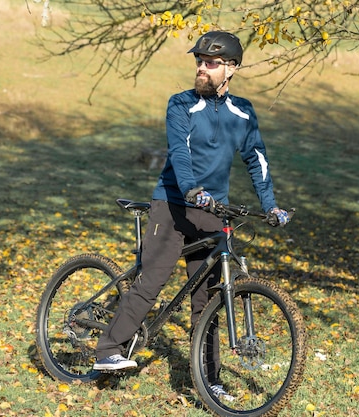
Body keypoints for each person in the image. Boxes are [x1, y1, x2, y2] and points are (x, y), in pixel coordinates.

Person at [93, 31, 290, 398]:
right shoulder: (180, 104)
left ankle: (209, 382)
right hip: (173, 204)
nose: (201, 68)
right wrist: (191, 190)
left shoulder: (243, 112)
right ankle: (107, 350)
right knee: (152, 280)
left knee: (209, 300)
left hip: (212, 211)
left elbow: (256, 159)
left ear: (231, 69)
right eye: (198, 61)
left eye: (210, 63)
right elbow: (180, 154)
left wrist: (270, 206)